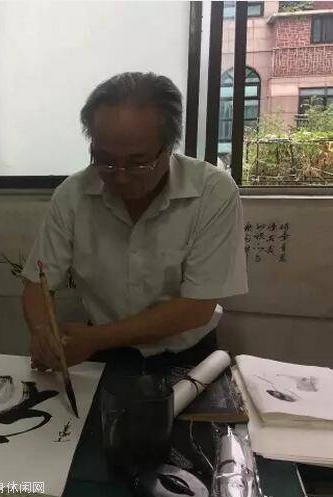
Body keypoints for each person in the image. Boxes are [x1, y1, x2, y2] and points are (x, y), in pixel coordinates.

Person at [21, 72, 248, 370]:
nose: (121, 176)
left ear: (169, 147)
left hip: (187, 357)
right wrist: (42, 332)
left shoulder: (212, 191)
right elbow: (37, 282)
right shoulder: (73, 195)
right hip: (103, 355)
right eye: (105, 160)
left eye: (138, 163)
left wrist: (95, 339)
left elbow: (197, 308)